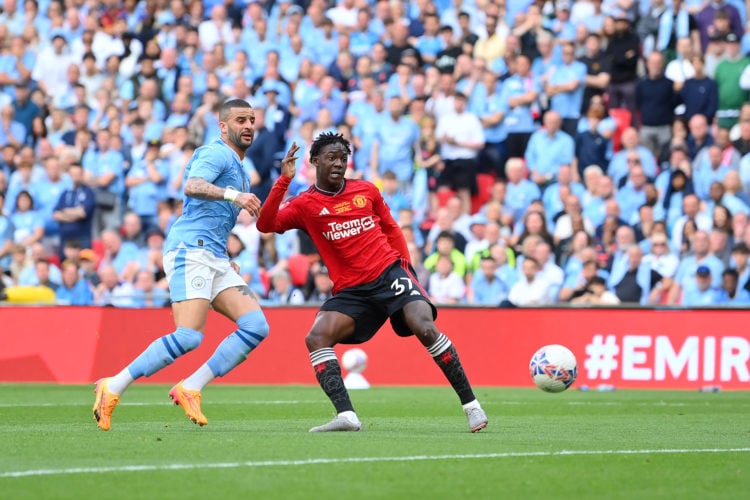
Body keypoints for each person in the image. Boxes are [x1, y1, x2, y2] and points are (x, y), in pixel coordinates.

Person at [256, 132, 487, 433]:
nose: (338, 163)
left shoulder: (367, 190)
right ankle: (347, 417)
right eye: (331, 157)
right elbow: (265, 224)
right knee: (316, 337)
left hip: (389, 274)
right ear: (314, 161)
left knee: (425, 326)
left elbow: (392, 230)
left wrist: (406, 270)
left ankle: (472, 406)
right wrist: (283, 180)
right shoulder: (306, 205)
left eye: (343, 158)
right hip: (352, 291)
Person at [92, 99, 271, 431]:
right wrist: (234, 197)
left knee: (256, 327)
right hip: (191, 250)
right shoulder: (215, 152)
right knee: (189, 336)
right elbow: (191, 186)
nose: (248, 125)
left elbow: (212, 217)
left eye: (252, 119)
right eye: (240, 119)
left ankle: (191, 386)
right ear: (223, 126)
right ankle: (112, 386)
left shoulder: (240, 168)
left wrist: (225, 256)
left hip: (214, 255)